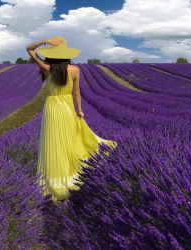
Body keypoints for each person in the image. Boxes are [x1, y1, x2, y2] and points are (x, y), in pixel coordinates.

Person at [26, 35, 118, 202]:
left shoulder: (47, 68)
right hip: (67, 107)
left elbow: (29, 49)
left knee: (54, 142)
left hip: (52, 108)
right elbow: (76, 92)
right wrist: (80, 111)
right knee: (69, 140)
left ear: (51, 55)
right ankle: (72, 174)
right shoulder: (75, 70)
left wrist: (44, 42)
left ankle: (56, 178)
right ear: (67, 55)